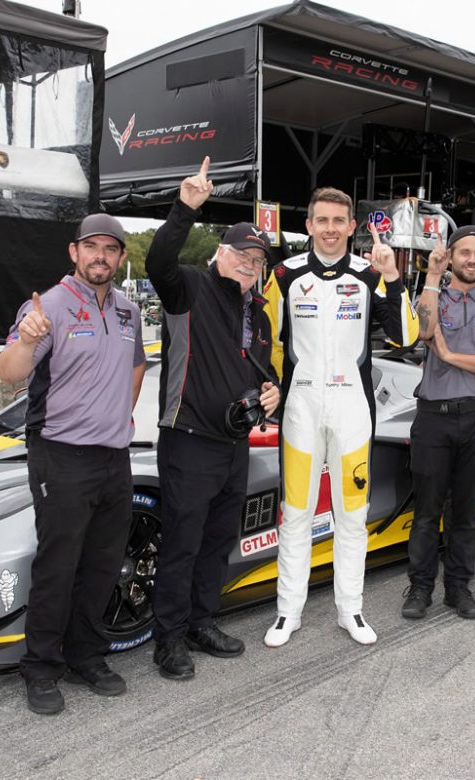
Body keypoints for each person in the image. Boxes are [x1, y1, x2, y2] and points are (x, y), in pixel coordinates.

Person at [0, 213, 146, 715]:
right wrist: (26, 338)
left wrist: (120, 416)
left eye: (110, 248)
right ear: (74, 252)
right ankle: (40, 667)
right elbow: (9, 374)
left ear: (121, 257)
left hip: (113, 457)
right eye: (92, 247)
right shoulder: (48, 307)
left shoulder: (129, 310)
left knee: (103, 565)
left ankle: (87, 654)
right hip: (60, 456)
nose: (100, 256)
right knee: (58, 567)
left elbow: (137, 365)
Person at [262, 186, 418, 647]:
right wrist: (273, 390)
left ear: (352, 227)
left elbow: (405, 336)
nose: (330, 229)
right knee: (295, 514)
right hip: (301, 409)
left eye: (338, 221)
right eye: (321, 220)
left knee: (353, 515)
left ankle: (350, 609)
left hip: (352, 408)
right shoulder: (283, 275)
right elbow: (268, 342)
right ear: (308, 225)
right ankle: (287, 612)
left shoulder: (370, 274)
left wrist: (393, 278)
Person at [146, 157, 280, 680]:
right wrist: (185, 208)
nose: (252, 266)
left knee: (217, 541)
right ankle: (169, 639)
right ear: (220, 254)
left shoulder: (260, 314)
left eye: (259, 261)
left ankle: (202, 621)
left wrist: (272, 396)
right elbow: (157, 261)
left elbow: (264, 374)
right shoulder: (188, 289)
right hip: (188, 440)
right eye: (244, 256)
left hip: (234, 444)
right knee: (182, 543)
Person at [402, 226, 475, 621]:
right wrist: (432, 276)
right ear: (451, 257)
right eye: (464, 252)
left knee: (468, 512)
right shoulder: (434, 294)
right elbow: (424, 330)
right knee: (426, 511)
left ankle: (458, 586)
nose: (472, 259)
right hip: (435, 416)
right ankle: (420, 587)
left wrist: (451, 357)